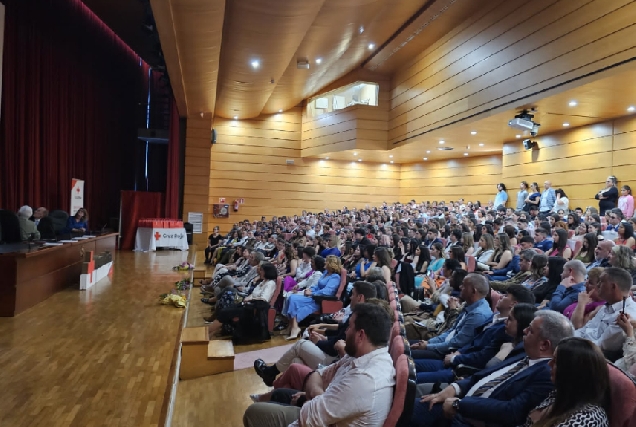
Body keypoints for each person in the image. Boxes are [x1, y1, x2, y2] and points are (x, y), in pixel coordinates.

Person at [410, 310, 574, 427]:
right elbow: (483, 376)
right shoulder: (522, 352)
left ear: (544, 345)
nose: (524, 330)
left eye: (530, 330)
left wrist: (459, 404)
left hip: (470, 417)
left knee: (408, 409)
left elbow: (512, 411)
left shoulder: (547, 374)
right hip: (459, 398)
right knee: (409, 403)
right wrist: (454, 388)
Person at [244, 303, 395, 427]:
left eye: (349, 328)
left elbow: (309, 417)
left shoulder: (365, 379)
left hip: (316, 419)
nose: (346, 332)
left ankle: (270, 378)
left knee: (253, 414)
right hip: (323, 412)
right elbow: (318, 374)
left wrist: (313, 396)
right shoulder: (364, 356)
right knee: (281, 392)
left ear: (361, 335)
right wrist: (318, 393)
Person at [253, 281, 378, 386]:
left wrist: (319, 341)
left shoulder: (360, 317)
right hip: (334, 354)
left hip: (334, 361)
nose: (350, 297)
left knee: (301, 344)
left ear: (360, 297)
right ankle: (279, 388)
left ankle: (271, 373)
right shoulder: (362, 313)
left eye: (353, 294)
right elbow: (340, 335)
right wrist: (324, 337)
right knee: (296, 361)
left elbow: (336, 347)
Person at [520, 337, 609, 427]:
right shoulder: (558, 395)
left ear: (571, 371)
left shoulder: (587, 419)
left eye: (555, 361)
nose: (549, 364)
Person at [410, 273, 492, 359]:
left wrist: (428, 346)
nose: (460, 287)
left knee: (406, 354)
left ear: (473, 291)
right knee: (405, 344)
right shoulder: (469, 305)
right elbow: (451, 332)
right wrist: (428, 343)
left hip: (448, 354)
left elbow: (456, 344)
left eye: (464, 286)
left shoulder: (478, 315)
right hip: (444, 344)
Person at [574, 267, 636, 357]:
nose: (598, 285)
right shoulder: (607, 306)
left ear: (613, 286)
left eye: (601, 282)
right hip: (581, 346)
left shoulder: (626, 315)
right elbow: (584, 330)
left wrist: (571, 343)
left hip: (590, 357)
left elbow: (600, 347)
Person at [206, 262, 278, 338]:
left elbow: (264, 299)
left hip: (254, 309)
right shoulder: (263, 282)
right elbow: (253, 293)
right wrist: (247, 298)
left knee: (225, 312)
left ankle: (208, 333)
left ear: (267, 272)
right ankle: (212, 332)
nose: (260, 272)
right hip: (247, 304)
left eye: (262, 270)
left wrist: (249, 299)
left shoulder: (270, 284)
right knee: (225, 309)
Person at [283, 255, 342, 340]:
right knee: (292, 297)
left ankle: (294, 327)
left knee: (293, 299)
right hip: (314, 296)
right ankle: (293, 326)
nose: (324, 262)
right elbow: (317, 285)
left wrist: (312, 293)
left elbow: (327, 291)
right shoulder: (325, 273)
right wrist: (310, 290)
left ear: (331, 264)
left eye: (327, 261)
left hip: (321, 300)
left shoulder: (335, 277)